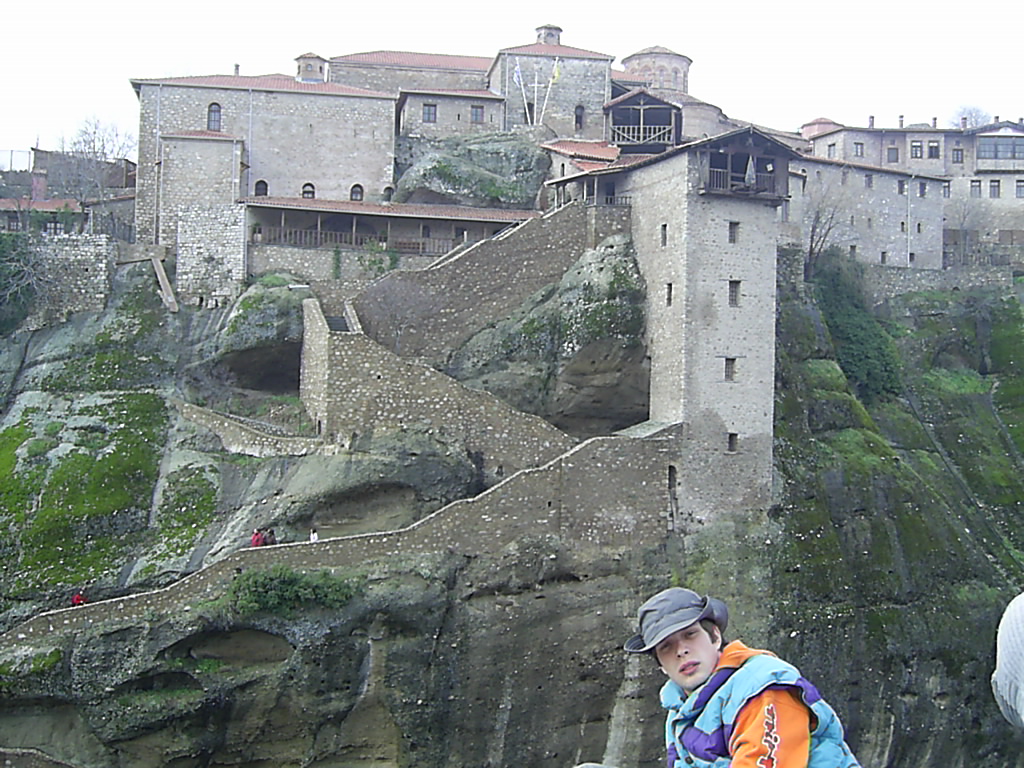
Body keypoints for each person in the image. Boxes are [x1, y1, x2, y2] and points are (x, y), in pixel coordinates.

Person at [623, 587, 861, 768]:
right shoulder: (677, 709)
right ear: (661, 666)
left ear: (715, 636)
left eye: (690, 634)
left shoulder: (765, 686)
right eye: (666, 646)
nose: (681, 651)